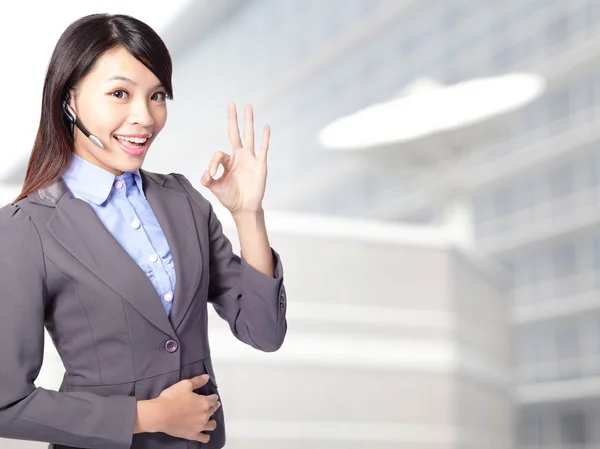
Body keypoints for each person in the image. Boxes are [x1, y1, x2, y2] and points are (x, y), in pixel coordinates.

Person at [0, 13, 287, 449]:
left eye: (156, 96)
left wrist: (248, 213)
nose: (145, 117)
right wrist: (146, 416)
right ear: (70, 99)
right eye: (120, 93)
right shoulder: (27, 228)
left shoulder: (183, 200)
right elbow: (6, 401)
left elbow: (264, 333)